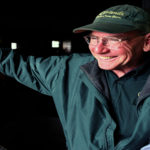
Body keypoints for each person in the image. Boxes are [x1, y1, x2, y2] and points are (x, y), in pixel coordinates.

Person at [0, 4, 150, 150]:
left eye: (113, 39)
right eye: (93, 38)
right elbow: (12, 63)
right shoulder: (68, 70)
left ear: (147, 42)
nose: (98, 49)